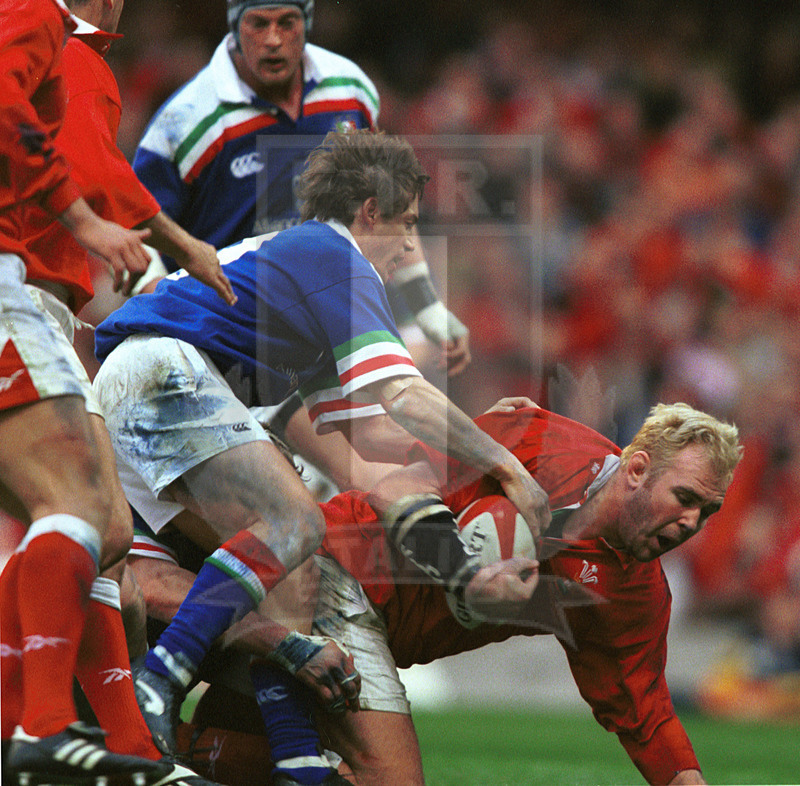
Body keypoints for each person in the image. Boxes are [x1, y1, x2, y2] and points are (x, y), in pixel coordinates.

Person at [91, 130, 546, 778]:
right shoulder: (336, 254)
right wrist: (507, 466)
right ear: (368, 213)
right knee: (297, 521)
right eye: (407, 224)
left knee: (293, 564)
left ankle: (299, 761)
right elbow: (405, 394)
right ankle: (157, 687)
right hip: (160, 368)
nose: (411, 247)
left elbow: (369, 469)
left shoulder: (296, 302)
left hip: (142, 389)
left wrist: (468, 572)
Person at [126, 399, 742, 786]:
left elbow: (646, 714)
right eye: (684, 499)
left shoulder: (634, 596)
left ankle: (141, 754)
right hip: (344, 574)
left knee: (242, 755)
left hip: (375, 632)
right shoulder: (543, 442)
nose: (690, 523)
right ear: (636, 470)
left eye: (707, 513)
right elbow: (406, 471)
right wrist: (465, 568)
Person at [0, 1, 233, 783]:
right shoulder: (46, 24)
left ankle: (117, 743)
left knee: (98, 526)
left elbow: (83, 158)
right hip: (16, 285)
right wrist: (128, 231)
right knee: (71, 504)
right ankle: (37, 728)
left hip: (41, 296)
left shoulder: (73, 47)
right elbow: (81, 164)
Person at [131, 0, 470, 377]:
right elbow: (136, 224)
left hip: (328, 328)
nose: (273, 39)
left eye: (287, 23)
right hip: (227, 340)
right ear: (234, 27)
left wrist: (426, 305)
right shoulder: (185, 120)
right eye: (258, 24)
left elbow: (387, 209)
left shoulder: (350, 90)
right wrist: (165, 310)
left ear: (307, 23)